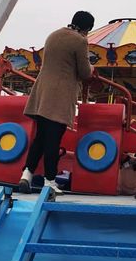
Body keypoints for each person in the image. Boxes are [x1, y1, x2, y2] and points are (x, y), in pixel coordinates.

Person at [20, 11, 96, 194]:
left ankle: (26, 174)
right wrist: (92, 67)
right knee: (53, 139)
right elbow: (85, 72)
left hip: (42, 93)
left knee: (40, 137)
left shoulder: (53, 35)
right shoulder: (80, 41)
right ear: (87, 28)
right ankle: (50, 181)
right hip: (60, 95)